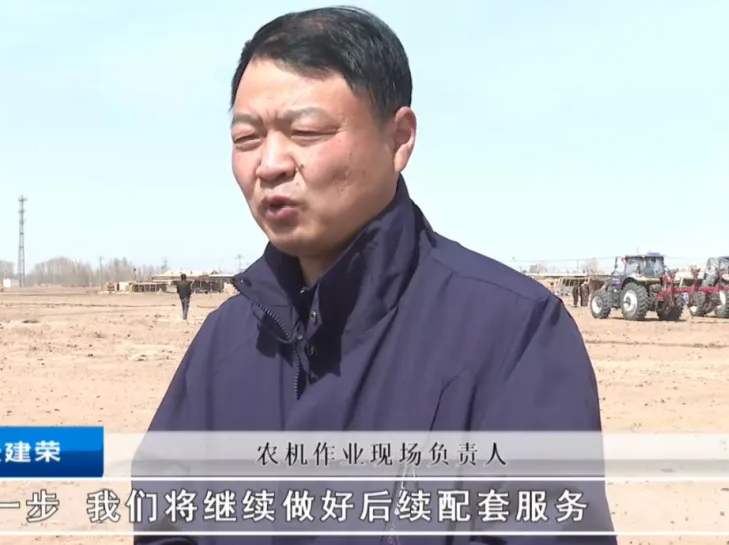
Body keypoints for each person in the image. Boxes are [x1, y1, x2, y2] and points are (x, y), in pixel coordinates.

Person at [139, 6, 613, 544]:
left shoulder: (512, 333)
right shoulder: (225, 341)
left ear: (399, 139)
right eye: (247, 138)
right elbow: (164, 520)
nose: (269, 164)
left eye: (306, 131)